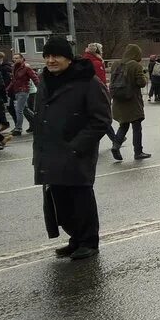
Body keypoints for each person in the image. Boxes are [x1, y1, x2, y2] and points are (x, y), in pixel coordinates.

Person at [34, 36, 111, 261]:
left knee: (80, 199)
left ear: (68, 58)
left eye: (56, 56)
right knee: (61, 200)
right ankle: (75, 239)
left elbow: (102, 120)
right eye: (47, 56)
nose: (51, 60)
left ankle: (89, 241)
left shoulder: (88, 81)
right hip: (51, 151)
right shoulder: (45, 80)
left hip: (76, 153)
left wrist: (76, 146)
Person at [108, 43, 151, 162]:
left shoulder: (116, 64)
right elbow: (141, 83)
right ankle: (138, 152)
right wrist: (145, 76)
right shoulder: (135, 65)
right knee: (137, 127)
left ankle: (116, 145)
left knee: (123, 125)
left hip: (118, 100)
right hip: (132, 101)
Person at [7, 52, 39, 136]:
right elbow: (13, 81)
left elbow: (35, 78)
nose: (15, 59)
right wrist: (7, 89)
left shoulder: (26, 68)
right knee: (24, 109)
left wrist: (40, 88)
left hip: (23, 90)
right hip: (17, 91)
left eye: (17, 58)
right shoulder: (14, 68)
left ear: (22, 59)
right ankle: (39, 122)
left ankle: (18, 128)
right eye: (14, 58)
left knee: (19, 110)